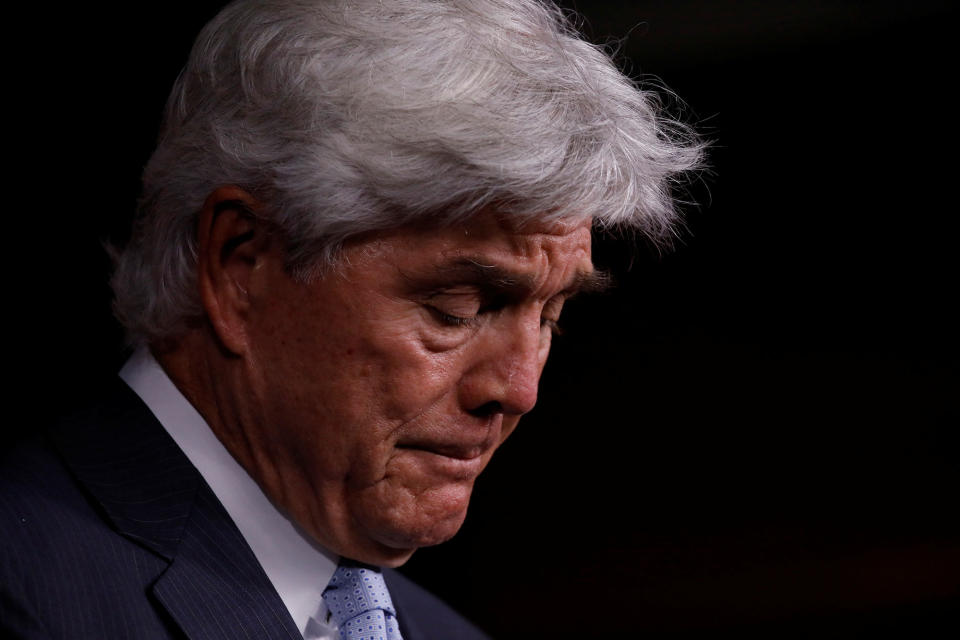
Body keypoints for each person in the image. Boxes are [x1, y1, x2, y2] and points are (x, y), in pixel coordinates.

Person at [0, 0, 701, 638]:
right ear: (240, 265)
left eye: (551, 315)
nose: (519, 390)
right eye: (456, 309)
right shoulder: (24, 582)